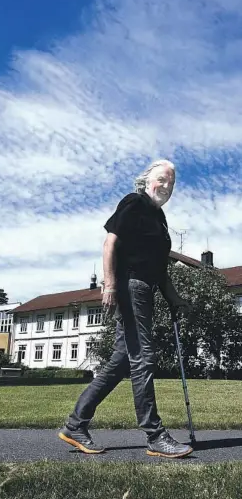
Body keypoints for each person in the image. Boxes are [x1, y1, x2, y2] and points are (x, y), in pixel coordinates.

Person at [58, 159, 194, 458]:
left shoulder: (159, 218)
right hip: (131, 287)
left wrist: (176, 299)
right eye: (162, 179)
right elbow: (110, 243)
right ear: (146, 180)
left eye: (172, 182)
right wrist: (109, 285)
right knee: (144, 357)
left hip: (147, 289)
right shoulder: (134, 203)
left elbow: (160, 270)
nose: (167, 186)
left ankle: (75, 425)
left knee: (122, 362)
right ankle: (155, 436)